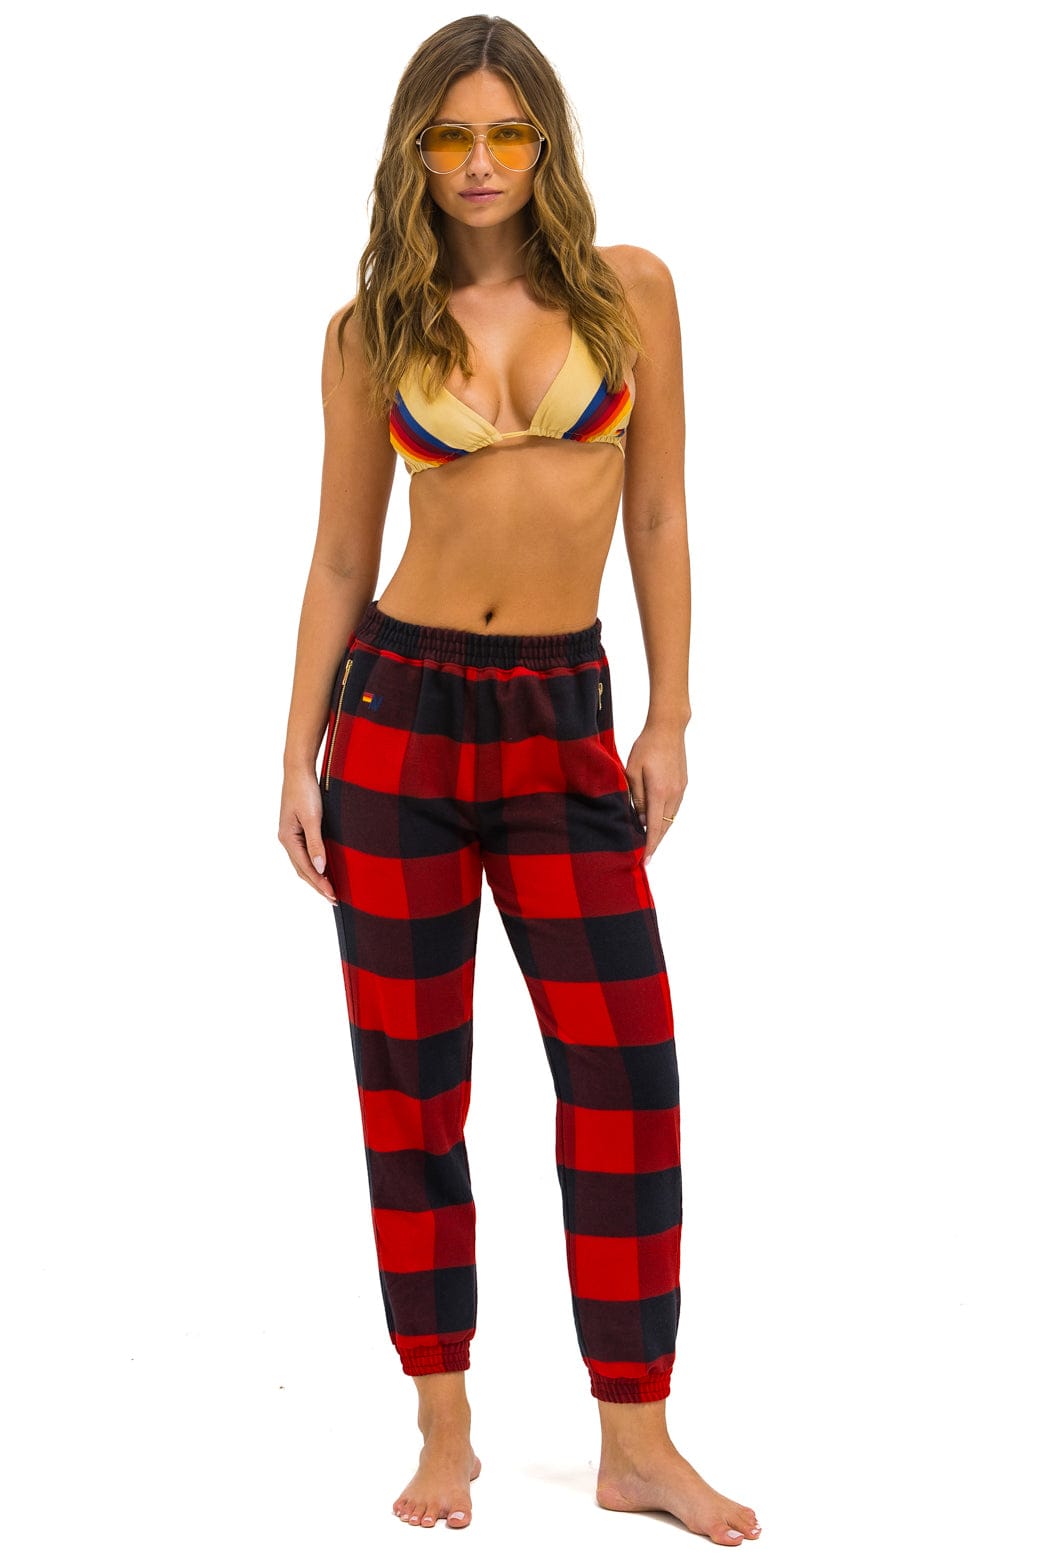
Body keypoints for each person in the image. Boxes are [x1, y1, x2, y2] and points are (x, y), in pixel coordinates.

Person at [278, 13, 760, 1544]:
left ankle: (636, 1440)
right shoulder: (371, 329)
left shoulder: (632, 293)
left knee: (626, 1074)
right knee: (413, 1087)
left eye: (505, 134)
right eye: (450, 136)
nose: (479, 163)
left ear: (543, 144)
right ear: (414, 153)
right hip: (400, 721)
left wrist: (670, 717)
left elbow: (660, 519)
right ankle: (447, 1428)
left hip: (562, 716)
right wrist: (296, 752)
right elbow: (343, 552)